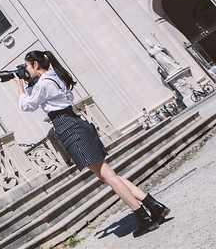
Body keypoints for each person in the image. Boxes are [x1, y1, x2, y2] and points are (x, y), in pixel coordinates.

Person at [14, 50, 170, 237]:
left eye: (27, 66)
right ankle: (154, 206)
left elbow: (27, 106)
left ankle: (143, 217)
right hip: (75, 124)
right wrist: (31, 83)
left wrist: (20, 86)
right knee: (109, 175)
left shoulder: (44, 84)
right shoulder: (55, 77)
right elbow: (39, 99)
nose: (26, 69)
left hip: (68, 128)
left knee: (109, 177)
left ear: (35, 65)